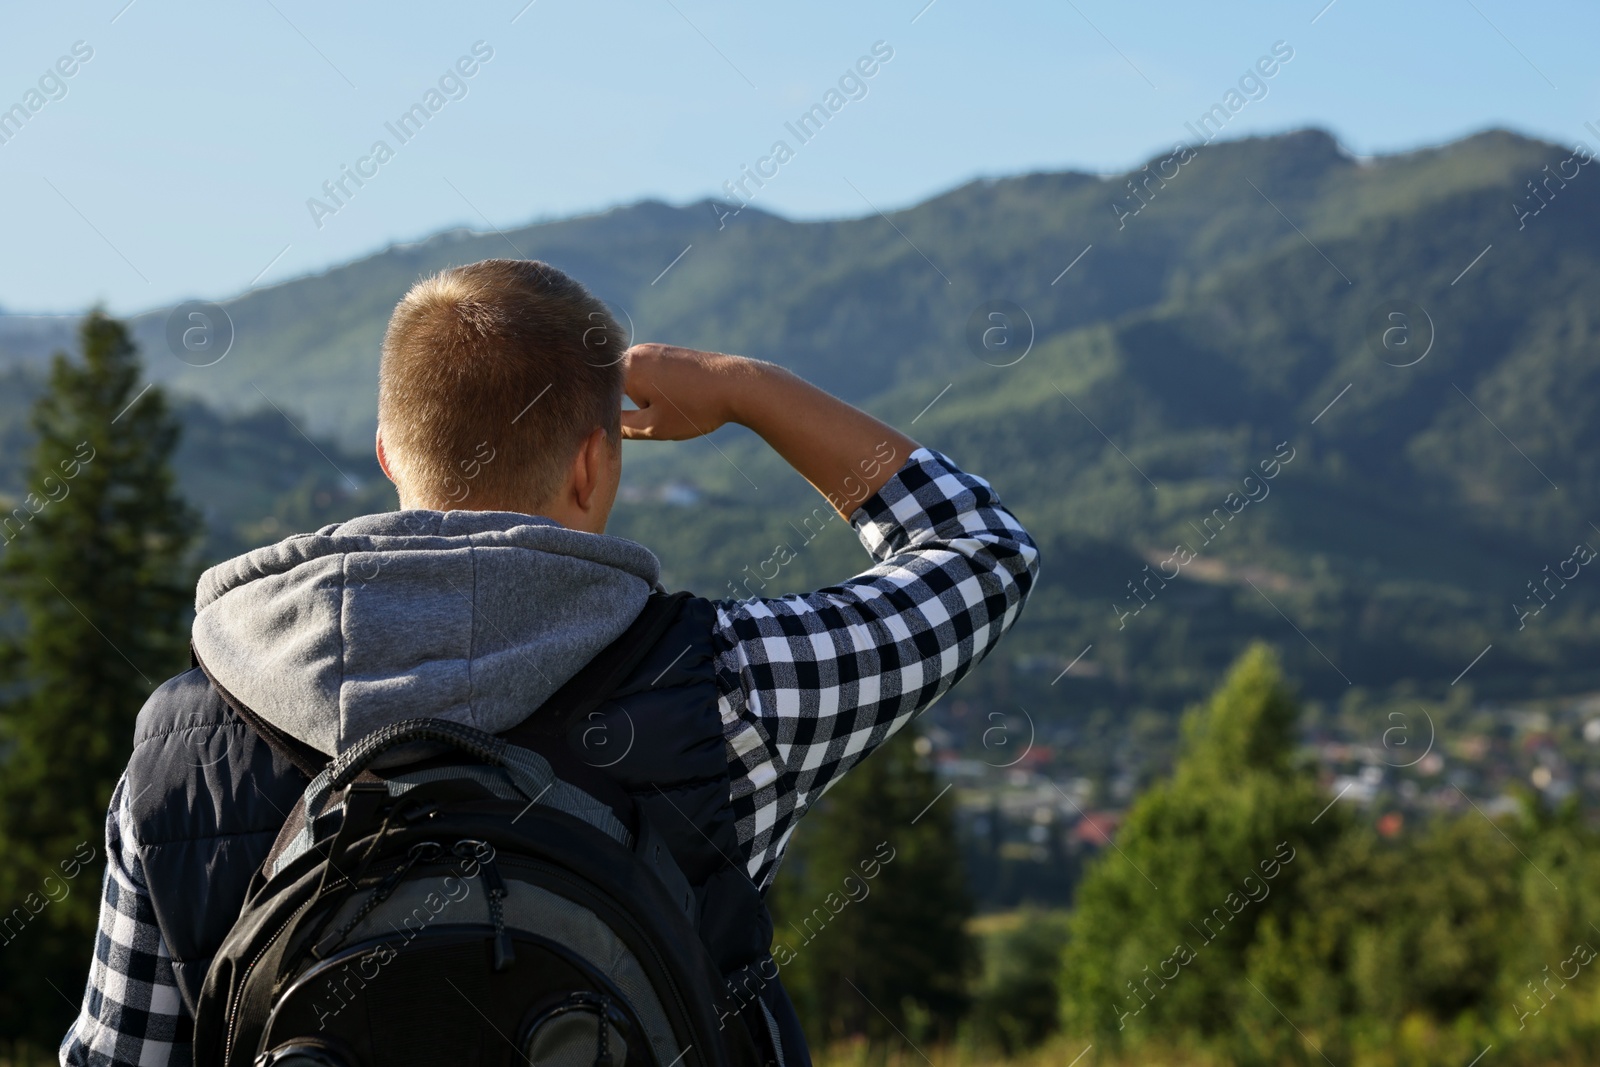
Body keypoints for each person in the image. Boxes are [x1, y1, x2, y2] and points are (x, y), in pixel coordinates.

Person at [60, 258, 1039, 1066]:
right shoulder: (726, 687)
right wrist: (744, 388)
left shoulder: (184, 738)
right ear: (588, 462)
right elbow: (980, 551)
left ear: (390, 453)